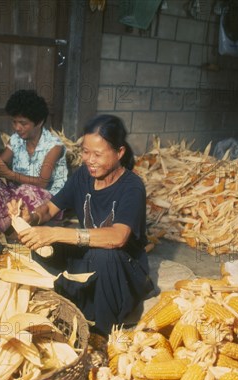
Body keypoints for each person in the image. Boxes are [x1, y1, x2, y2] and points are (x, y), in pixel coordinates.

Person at [8, 114, 154, 335]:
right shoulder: (83, 176)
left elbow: (117, 237)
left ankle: (101, 335)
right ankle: (62, 308)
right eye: (86, 152)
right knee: (40, 248)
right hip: (89, 253)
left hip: (123, 268)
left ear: (119, 153)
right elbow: (50, 208)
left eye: (97, 154)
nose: (90, 160)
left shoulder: (132, 187)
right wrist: (31, 218)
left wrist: (57, 233)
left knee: (104, 256)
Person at [0, 90, 68, 232]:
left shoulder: (54, 146)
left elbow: (42, 182)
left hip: (48, 204)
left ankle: (9, 227)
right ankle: (11, 227)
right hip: (18, 197)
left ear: (39, 122)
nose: (17, 127)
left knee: (25, 190)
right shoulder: (16, 140)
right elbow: (0, 165)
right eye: (14, 122)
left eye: (23, 123)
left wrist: (10, 175)